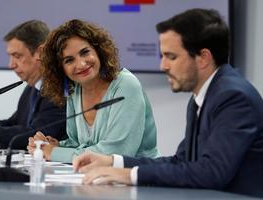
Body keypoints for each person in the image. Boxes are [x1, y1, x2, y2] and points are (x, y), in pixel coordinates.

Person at [72, 9, 263, 197]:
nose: (163, 66)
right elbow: (181, 161)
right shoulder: (203, 95)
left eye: (171, 56)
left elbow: (212, 172)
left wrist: (130, 175)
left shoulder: (233, 97)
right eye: (162, 56)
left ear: (203, 58)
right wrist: (113, 162)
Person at [27, 19, 159, 163]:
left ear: (99, 51)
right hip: (97, 177)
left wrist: (55, 153)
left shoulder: (126, 85)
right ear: (61, 68)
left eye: (85, 52)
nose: (81, 64)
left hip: (139, 178)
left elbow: (116, 153)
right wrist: (54, 145)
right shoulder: (75, 90)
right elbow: (79, 144)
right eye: (69, 60)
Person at [0, 20, 67, 149]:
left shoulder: (60, 89)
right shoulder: (32, 88)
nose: (11, 65)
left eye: (17, 56)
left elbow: (35, 135)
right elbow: (13, 124)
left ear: (41, 53)